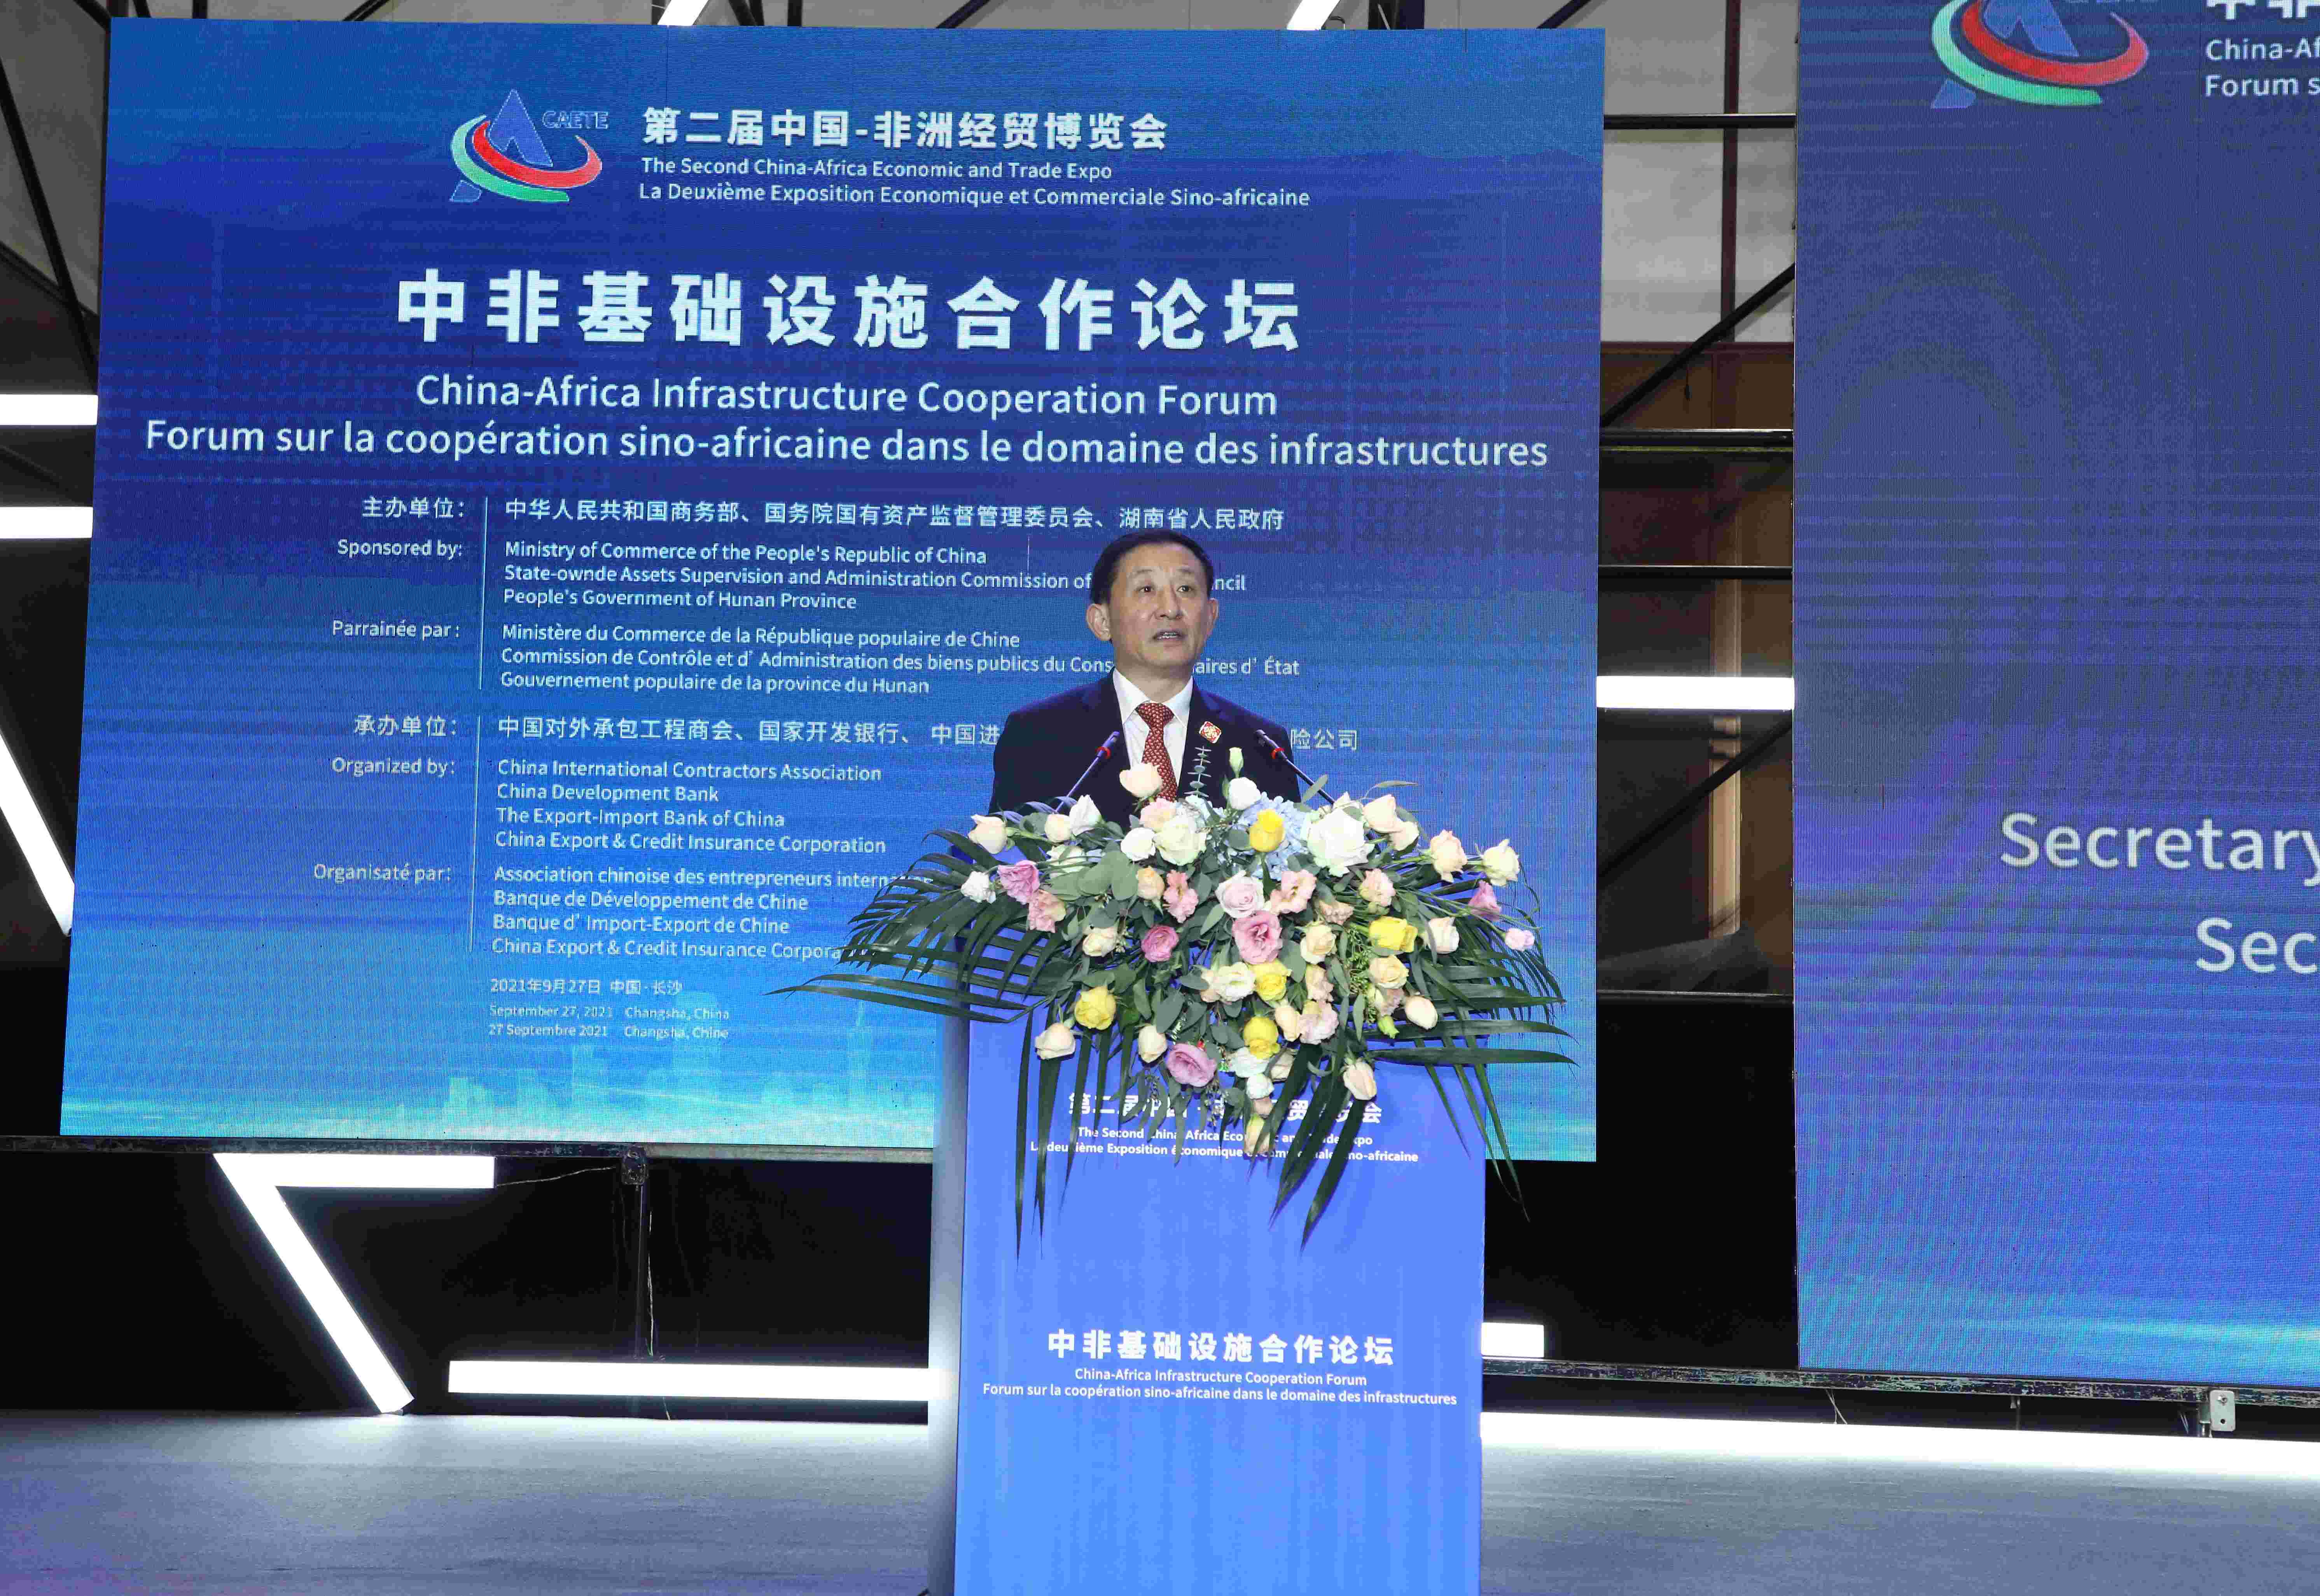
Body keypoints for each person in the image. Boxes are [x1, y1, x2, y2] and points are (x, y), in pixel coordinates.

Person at [988, 532, 1299, 826]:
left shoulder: (1261, 745)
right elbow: (1010, 857)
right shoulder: (1037, 735)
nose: (1170, 609)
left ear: (1210, 618)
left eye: (1186, 589)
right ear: (1102, 621)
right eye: (1146, 590)